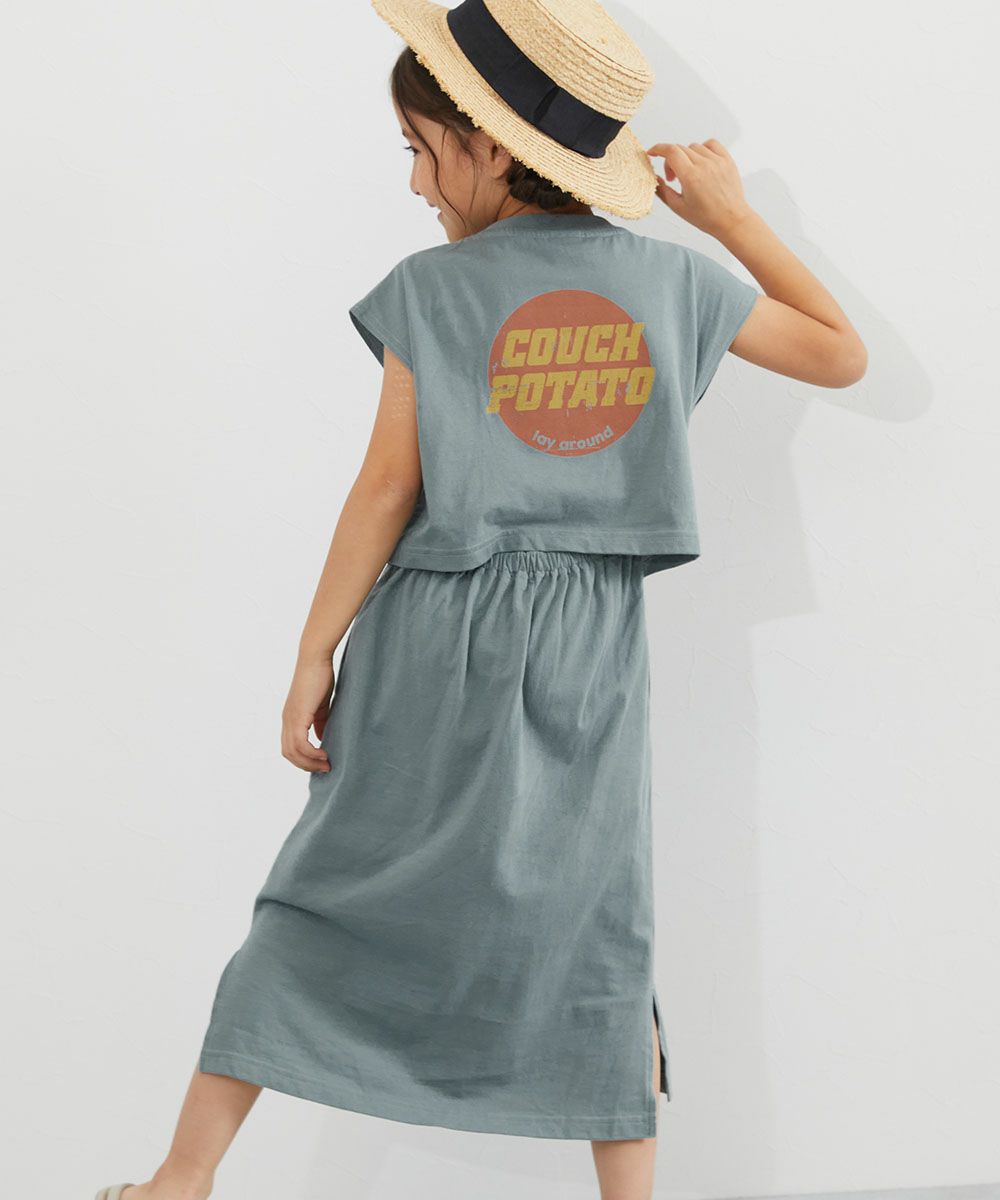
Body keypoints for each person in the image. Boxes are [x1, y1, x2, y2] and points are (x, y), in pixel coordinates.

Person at [94, 1, 866, 1198]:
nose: (413, 182)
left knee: (326, 895)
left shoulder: (433, 289)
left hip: (429, 634)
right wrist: (728, 221)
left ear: (490, 148)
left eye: (418, 149)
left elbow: (385, 487)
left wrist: (314, 654)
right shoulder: (671, 280)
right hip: (589, 651)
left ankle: (178, 1184)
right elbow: (837, 352)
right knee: (596, 914)